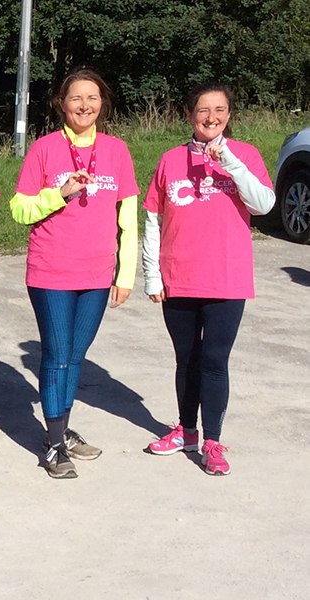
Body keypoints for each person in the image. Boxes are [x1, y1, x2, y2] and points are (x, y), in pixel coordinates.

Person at [9, 68, 140, 479]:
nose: (85, 105)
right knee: (56, 356)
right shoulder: (44, 150)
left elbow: (129, 218)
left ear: (103, 103)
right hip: (51, 272)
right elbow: (18, 209)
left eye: (93, 98)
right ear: (61, 104)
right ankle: (52, 443)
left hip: (99, 274)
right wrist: (58, 193)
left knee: (76, 357)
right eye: (76, 98)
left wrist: (126, 274)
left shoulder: (117, 150)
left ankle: (60, 432)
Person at [143, 82, 274, 475]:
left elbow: (264, 204)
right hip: (178, 275)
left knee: (215, 360)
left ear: (229, 115)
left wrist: (231, 162)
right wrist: (152, 275)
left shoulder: (246, 155)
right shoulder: (169, 160)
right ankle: (186, 431)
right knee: (186, 359)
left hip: (227, 277)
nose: (211, 117)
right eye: (203, 110)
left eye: (219, 110)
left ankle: (213, 440)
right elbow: (153, 218)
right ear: (189, 115)